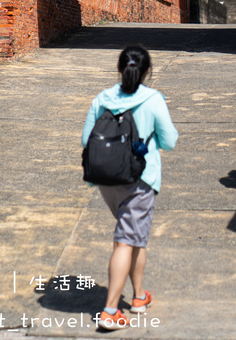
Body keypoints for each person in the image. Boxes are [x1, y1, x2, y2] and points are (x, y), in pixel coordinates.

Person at [81, 45, 178, 331]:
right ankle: (110, 311)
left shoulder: (103, 98)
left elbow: (87, 139)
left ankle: (138, 297)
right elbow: (169, 141)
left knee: (136, 236)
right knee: (126, 239)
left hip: (107, 181)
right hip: (140, 180)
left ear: (119, 69)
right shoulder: (153, 99)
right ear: (147, 71)